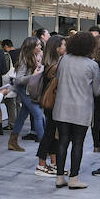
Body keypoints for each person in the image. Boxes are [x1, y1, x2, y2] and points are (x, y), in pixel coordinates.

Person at [51, 31, 100, 188]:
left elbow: (58, 78)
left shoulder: (64, 60)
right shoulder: (92, 65)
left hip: (62, 107)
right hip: (81, 109)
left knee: (62, 141)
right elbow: (96, 91)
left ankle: (60, 176)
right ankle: (74, 178)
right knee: (78, 143)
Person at [35, 35, 66, 176]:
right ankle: (41, 165)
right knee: (50, 134)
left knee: (53, 134)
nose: (65, 47)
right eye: (63, 45)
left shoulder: (50, 63)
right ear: (57, 48)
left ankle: (54, 164)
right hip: (53, 104)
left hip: (51, 104)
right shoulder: (55, 66)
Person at [9, 37, 46, 150]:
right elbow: (19, 79)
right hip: (25, 90)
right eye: (38, 45)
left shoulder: (36, 56)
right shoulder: (24, 59)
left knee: (22, 115)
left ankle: (13, 141)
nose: (40, 47)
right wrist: (34, 76)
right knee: (39, 115)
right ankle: (45, 148)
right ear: (31, 47)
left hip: (30, 90)